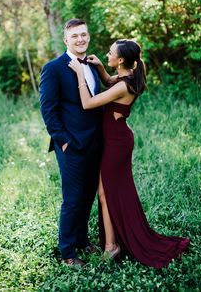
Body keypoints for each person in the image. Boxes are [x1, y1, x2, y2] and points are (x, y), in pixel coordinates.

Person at [68, 39, 190, 268]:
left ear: (121, 60)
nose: (107, 53)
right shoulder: (126, 77)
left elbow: (88, 103)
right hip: (116, 140)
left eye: (110, 53)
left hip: (117, 143)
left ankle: (111, 247)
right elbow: (109, 81)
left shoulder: (124, 85)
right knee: (109, 193)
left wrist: (78, 73)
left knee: (106, 195)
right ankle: (112, 245)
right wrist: (101, 68)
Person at [39, 19, 103, 267]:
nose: (80, 40)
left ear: (88, 37)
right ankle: (67, 253)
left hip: (95, 143)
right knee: (73, 198)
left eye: (84, 35)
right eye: (74, 36)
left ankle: (82, 240)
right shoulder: (53, 68)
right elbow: (48, 109)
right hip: (71, 146)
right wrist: (63, 142)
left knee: (88, 196)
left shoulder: (93, 65)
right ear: (66, 40)